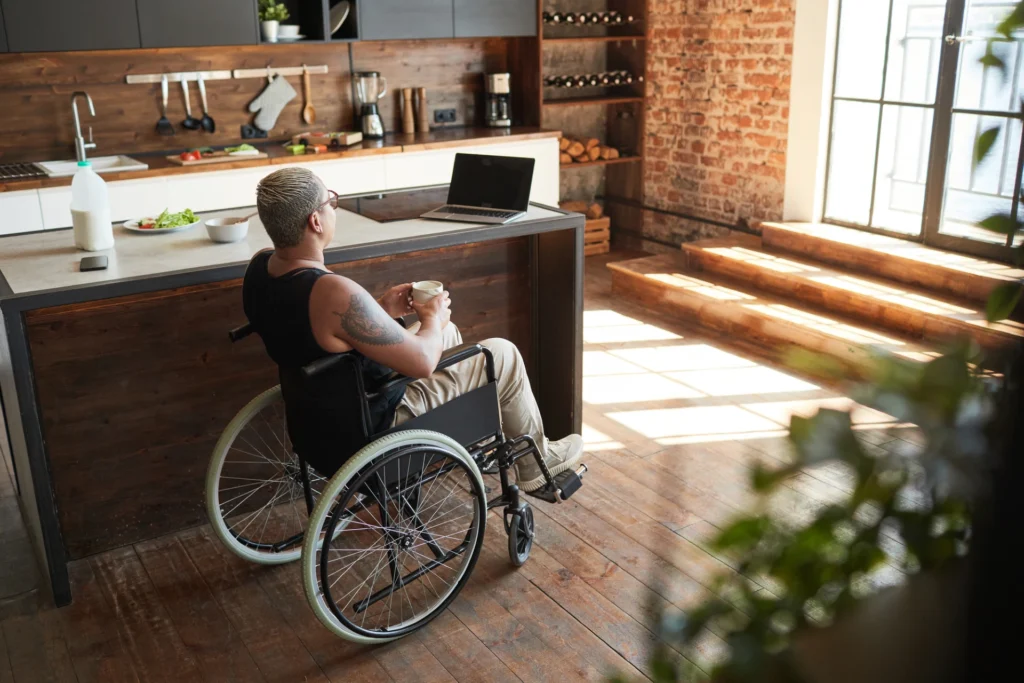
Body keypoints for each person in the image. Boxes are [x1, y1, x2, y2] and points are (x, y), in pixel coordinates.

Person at [241, 167, 583, 491]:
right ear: (315, 221)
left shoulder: (260, 268)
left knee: (448, 336)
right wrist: (432, 317)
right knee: (500, 354)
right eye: (329, 201)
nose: (333, 208)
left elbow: (316, 332)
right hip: (372, 426)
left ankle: (472, 436)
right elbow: (420, 362)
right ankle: (536, 465)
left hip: (318, 420)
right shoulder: (333, 292)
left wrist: (380, 310)